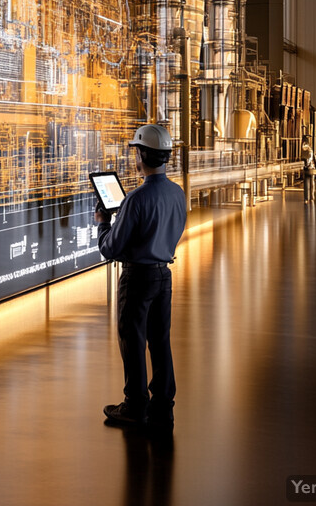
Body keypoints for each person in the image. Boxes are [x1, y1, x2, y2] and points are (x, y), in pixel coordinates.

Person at [95, 124, 186, 431]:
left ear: (144, 154)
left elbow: (111, 249)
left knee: (132, 341)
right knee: (160, 341)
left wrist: (103, 223)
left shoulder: (135, 199)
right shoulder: (177, 193)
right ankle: (163, 405)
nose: (134, 156)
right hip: (164, 276)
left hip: (137, 278)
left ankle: (135, 407)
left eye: (136, 150)